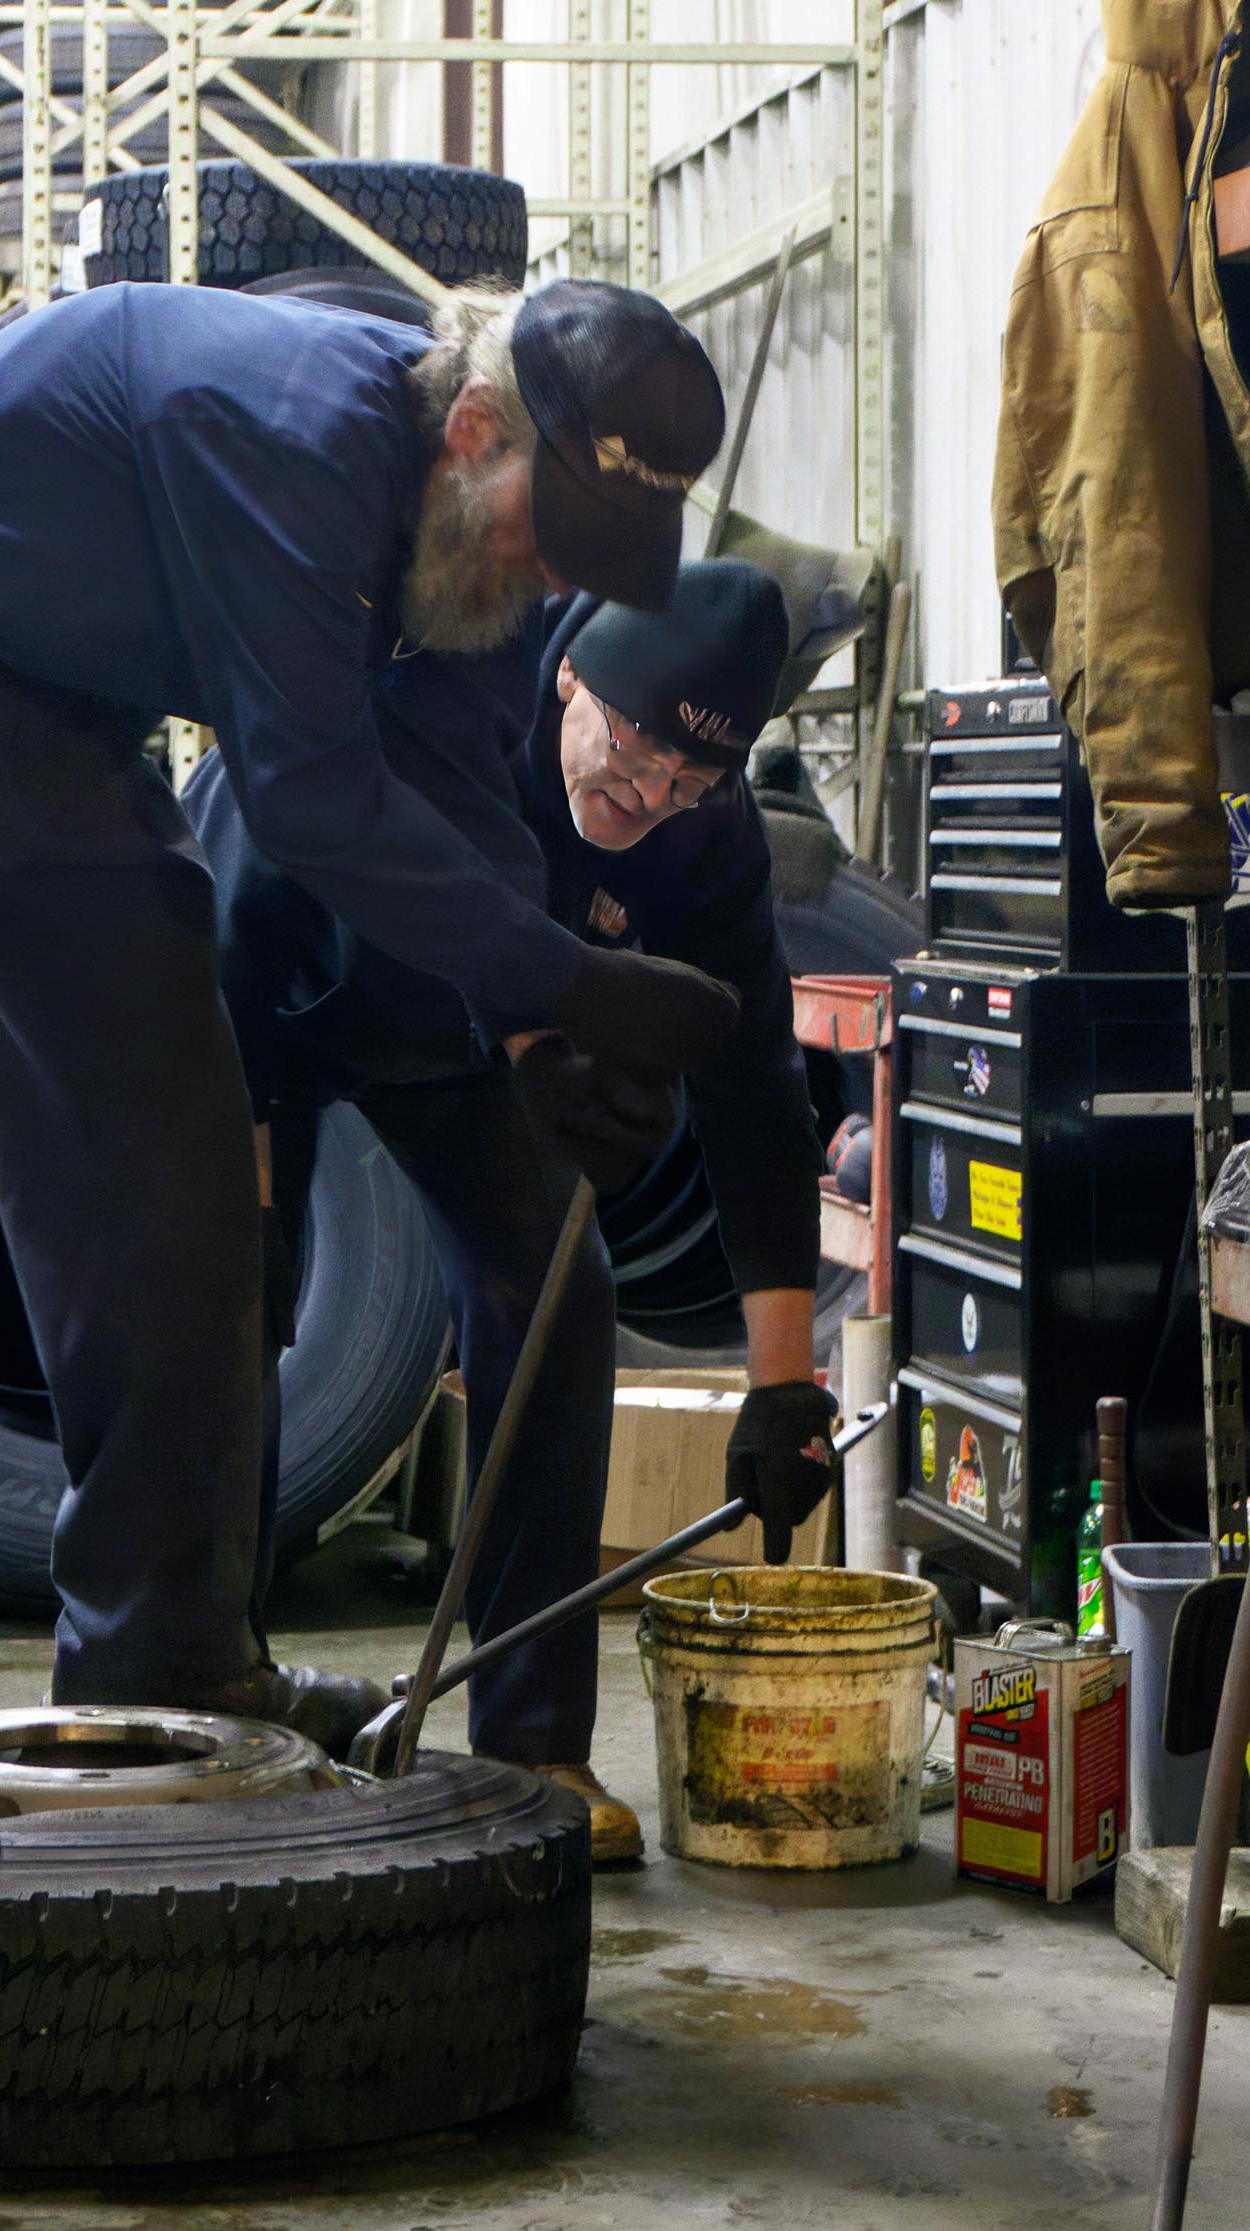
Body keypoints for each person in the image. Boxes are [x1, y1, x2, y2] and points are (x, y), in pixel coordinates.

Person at [0, 275, 745, 1850]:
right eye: (544, 531)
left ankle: (165, 1647)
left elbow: (449, 786)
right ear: (473, 431)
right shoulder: (288, 427)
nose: (541, 578)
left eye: (580, 567)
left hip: (62, 727)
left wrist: (544, 1034)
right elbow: (315, 799)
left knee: (173, 1187)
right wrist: (576, 973)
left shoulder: (465, 549)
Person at [187, 558, 833, 1863]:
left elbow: (757, 1095)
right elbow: (240, 953)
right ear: (575, 675)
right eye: (632, 750)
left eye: (686, 785)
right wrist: (252, 1218)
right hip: (287, 968)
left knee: (557, 1281)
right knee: (220, 1310)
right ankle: (210, 1689)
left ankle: (534, 1739)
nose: (643, 797)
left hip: (473, 1043)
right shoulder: (443, 694)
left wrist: (782, 1385)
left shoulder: (702, 837)